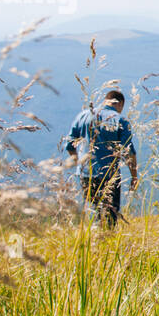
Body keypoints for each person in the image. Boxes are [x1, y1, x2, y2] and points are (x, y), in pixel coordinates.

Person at [65, 89, 137, 229]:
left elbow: (69, 145)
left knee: (93, 211)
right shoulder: (120, 120)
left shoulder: (83, 116)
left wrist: (79, 163)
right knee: (109, 216)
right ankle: (104, 244)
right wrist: (134, 176)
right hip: (109, 175)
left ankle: (91, 243)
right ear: (120, 103)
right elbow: (128, 151)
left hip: (85, 174)